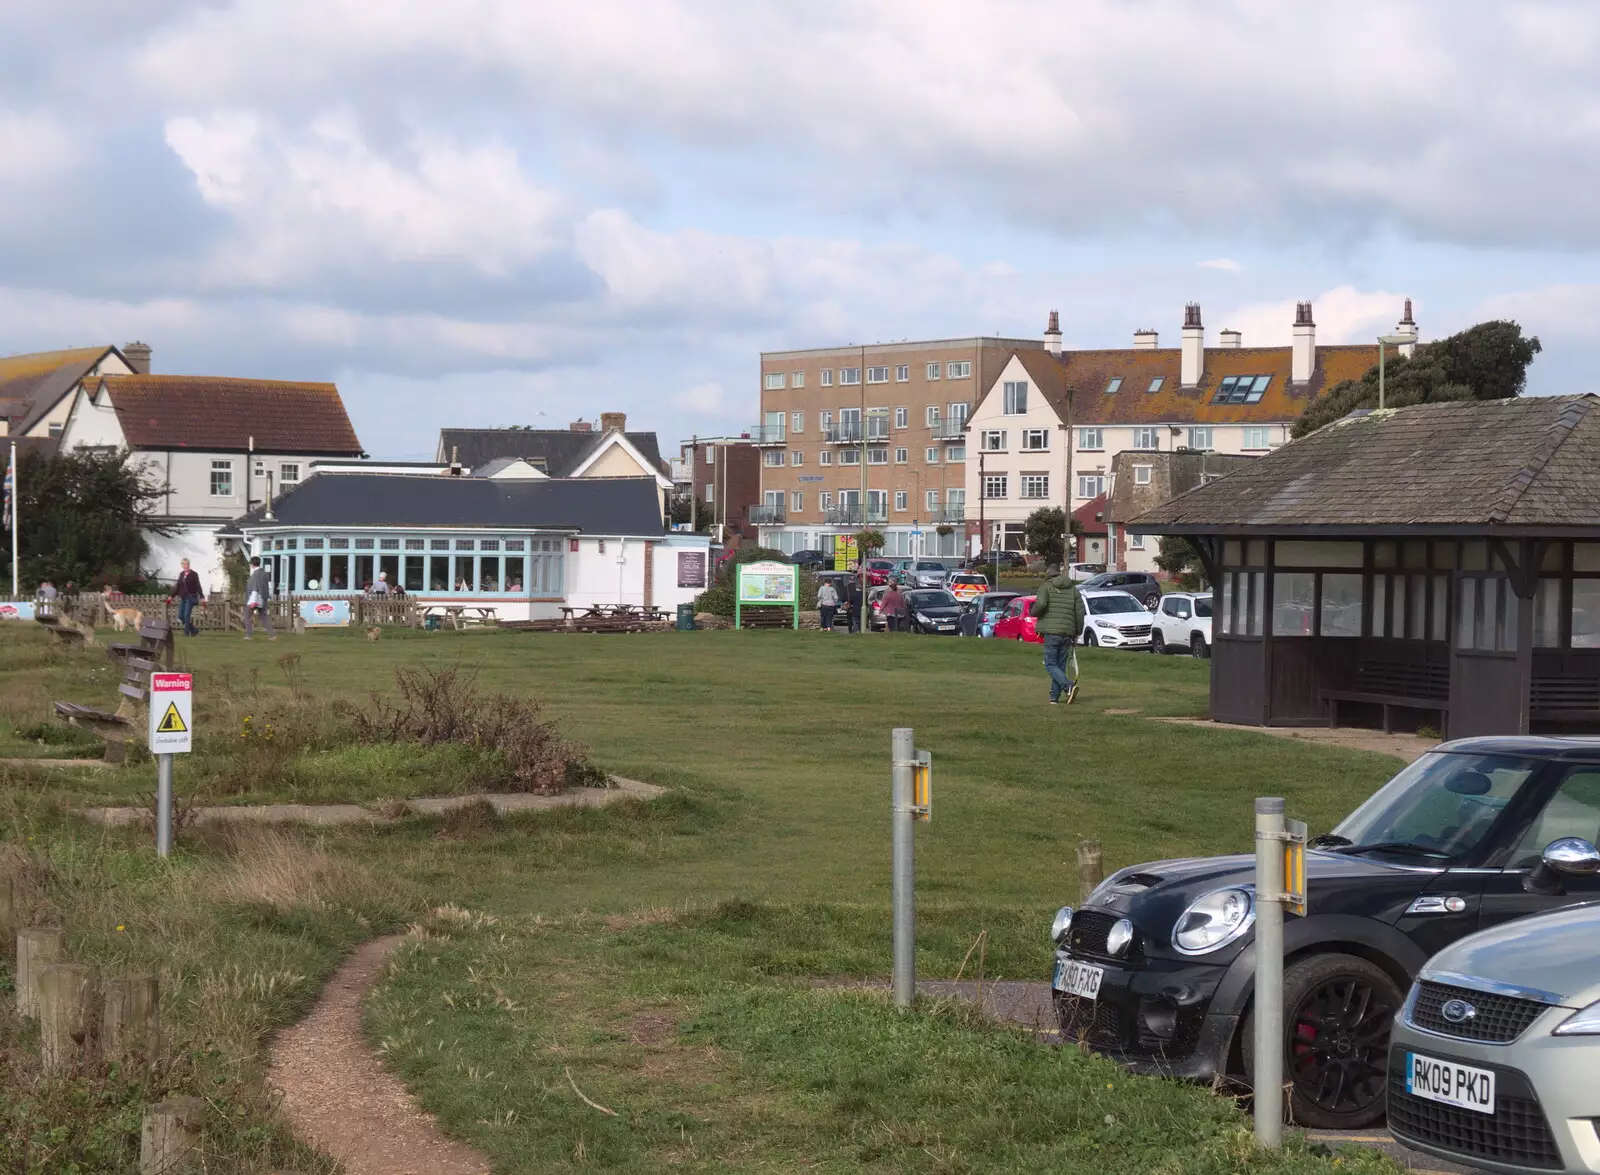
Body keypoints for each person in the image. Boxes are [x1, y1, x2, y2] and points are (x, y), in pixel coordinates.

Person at [1030, 568, 1086, 705]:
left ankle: (1069, 686)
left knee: (1050, 664)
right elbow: (1080, 613)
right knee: (1060, 665)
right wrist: (1078, 631)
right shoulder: (1074, 590)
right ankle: (1054, 697)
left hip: (1051, 631)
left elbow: (1041, 604)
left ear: (1048, 576)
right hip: (1067, 632)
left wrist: (1034, 612)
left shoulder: (1046, 587)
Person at [243, 556, 276, 641]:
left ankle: (249, 635)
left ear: (252, 564)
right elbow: (264, 587)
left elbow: (255, 588)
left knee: (246, 616)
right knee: (264, 617)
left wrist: (253, 601)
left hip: (255, 599)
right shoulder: (264, 573)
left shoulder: (255, 575)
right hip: (263, 598)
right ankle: (272, 635)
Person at [169, 558, 204, 637]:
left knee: (186, 615)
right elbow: (178, 587)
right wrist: (171, 596)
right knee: (181, 616)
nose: (186, 565)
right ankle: (194, 630)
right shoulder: (181, 574)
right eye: (184, 564)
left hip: (191, 597)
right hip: (183, 597)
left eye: (187, 564)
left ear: (189, 564)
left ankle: (186, 633)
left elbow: (198, 586)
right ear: (182, 565)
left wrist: (202, 596)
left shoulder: (194, 574)